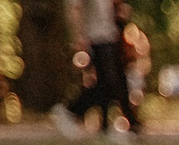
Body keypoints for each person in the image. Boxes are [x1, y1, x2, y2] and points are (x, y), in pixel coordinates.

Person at [56, 0, 138, 137]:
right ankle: (71, 110)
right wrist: (78, 36)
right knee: (108, 81)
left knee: (110, 82)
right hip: (95, 37)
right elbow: (75, 8)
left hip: (109, 35)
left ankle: (105, 127)